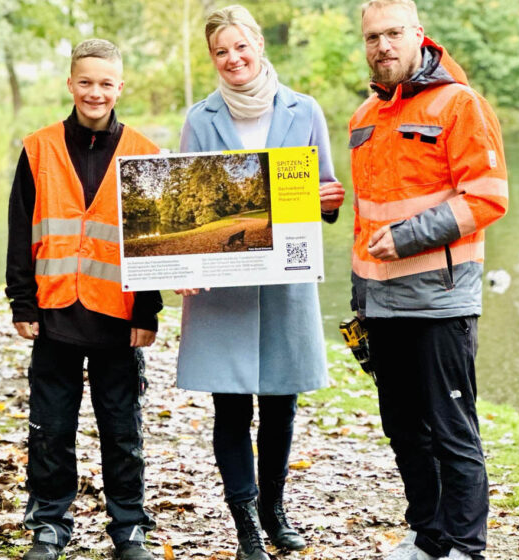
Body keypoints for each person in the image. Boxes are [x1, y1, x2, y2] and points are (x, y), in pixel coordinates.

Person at [174, 5, 345, 560]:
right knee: (231, 406)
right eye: (221, 52)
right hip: (222, 288)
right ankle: (245, 520)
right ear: (212, 59)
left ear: (259, 45)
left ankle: (274, 509)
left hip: (286, 280)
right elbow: (183, 208)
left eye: (240, 47)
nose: (233, 59)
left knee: (280, 403)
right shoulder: (200, 118)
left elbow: (325, 189)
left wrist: (328, 200)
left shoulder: (305, 110)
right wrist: (180, 265)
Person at [349, 2, 509, 560]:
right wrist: (359, 305)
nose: (383, 46)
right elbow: (364, 219)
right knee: (403, 430)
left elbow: (489, 196)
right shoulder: (363, 117)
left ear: (418, 35)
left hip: (442, 301)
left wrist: (412, 235)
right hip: (382, 303)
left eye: (394, 33)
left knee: (452, 430)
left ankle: (467, 547)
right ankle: (428, 538)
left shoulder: (460, 104)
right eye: (373, 36)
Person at [5, 39, 163, 560]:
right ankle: (49, 525)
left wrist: (148, 310)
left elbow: (153, 242)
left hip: (118, 317)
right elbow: (20, 231)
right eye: (86, 82)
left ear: (121, 87)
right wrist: (21, 302)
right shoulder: (38, 149)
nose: (96, 92)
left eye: (106, 83)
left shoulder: (144, 153)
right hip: (53, 315)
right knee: (51, 428)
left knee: (123, 431)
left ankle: (129, 529)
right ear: (70, 84)